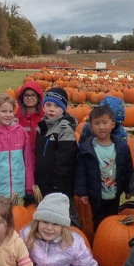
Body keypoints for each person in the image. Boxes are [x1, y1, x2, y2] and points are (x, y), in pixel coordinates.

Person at [76, 105, 134, 227]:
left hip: (115, 193)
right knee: (98, 220)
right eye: (97, 123)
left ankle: (110, 234)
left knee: (112, 219)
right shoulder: (86, 149)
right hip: (95, 193)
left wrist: (129, 188)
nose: (101, 127)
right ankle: (99, 235)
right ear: (91, 127)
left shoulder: (122, 147)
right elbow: (81, 172)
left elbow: (128, 169)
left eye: (105, 122)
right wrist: (82, 192)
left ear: (112, 124)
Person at [34, 88, 80, 226]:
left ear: (63, 109)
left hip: (60, 183)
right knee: (49, 215)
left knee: (66, 212)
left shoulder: (65, 129)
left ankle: (75, 232)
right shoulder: (42, 126)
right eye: (48, 105)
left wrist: (57, 183)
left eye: (56, 106)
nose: (51, 109)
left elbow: (65, 160)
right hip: (44, 181)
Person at [0, 94, 33, 201]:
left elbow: (28, 162)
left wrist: (29, 187)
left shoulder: (21, 133)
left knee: (18, 211)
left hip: (19, 191)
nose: (8, 115)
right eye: (4, 111)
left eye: (10, 111)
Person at [15, 81, 44, 156]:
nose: (29, 98)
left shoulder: (43, 119)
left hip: (39, 156)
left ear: (38, 98)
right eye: (26, 95)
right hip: (21, 156)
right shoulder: (17, 118)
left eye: (33, 95)